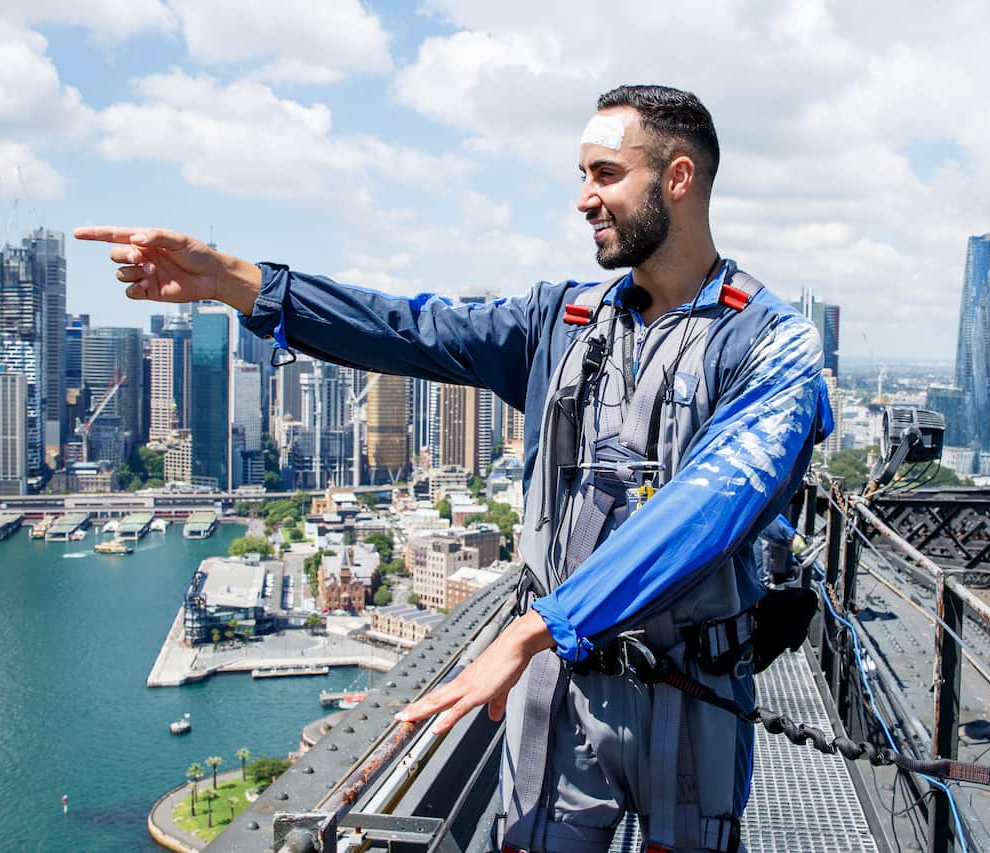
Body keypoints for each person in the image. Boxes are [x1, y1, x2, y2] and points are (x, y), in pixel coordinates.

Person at [77, 84, 832, 853]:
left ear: (677, 177)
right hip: (556, 689)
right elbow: (413, 329)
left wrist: (534, 630)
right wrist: (238, 282)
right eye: (581, 174)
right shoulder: (563, 324)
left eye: (605, 173)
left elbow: (714, 501)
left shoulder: (772, 345)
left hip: (683, 687)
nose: (583, 198)